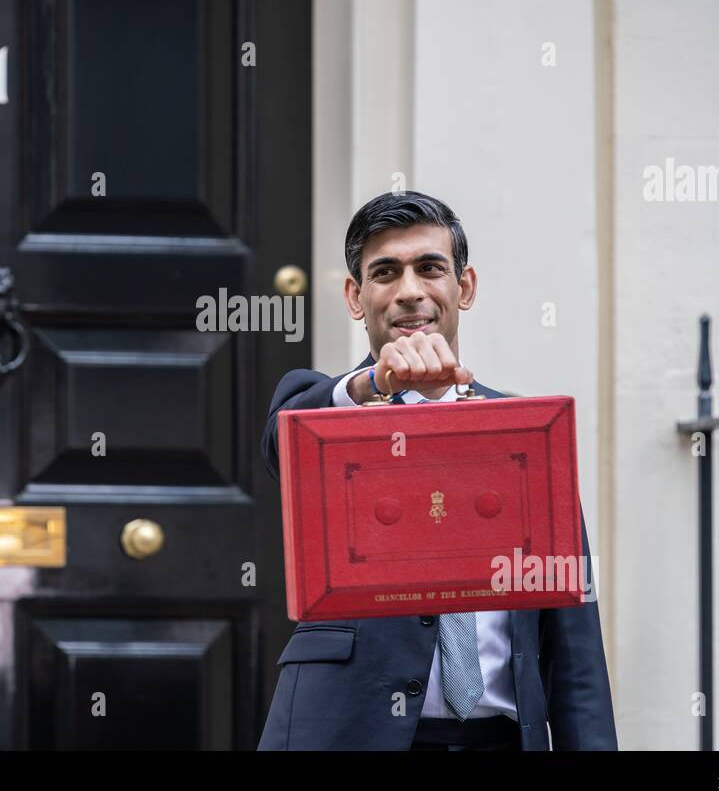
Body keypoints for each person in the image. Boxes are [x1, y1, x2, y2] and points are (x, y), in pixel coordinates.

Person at [257, 191, 617, 751]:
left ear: (464, 287)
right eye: (385, 272)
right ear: (355, 296)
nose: (410, 292)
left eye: (430, 268)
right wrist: (373, 384)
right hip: (345, 735)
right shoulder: (330, 409)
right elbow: (284, 439)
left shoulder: (525, 433)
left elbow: (574, 641)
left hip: (498, 739)